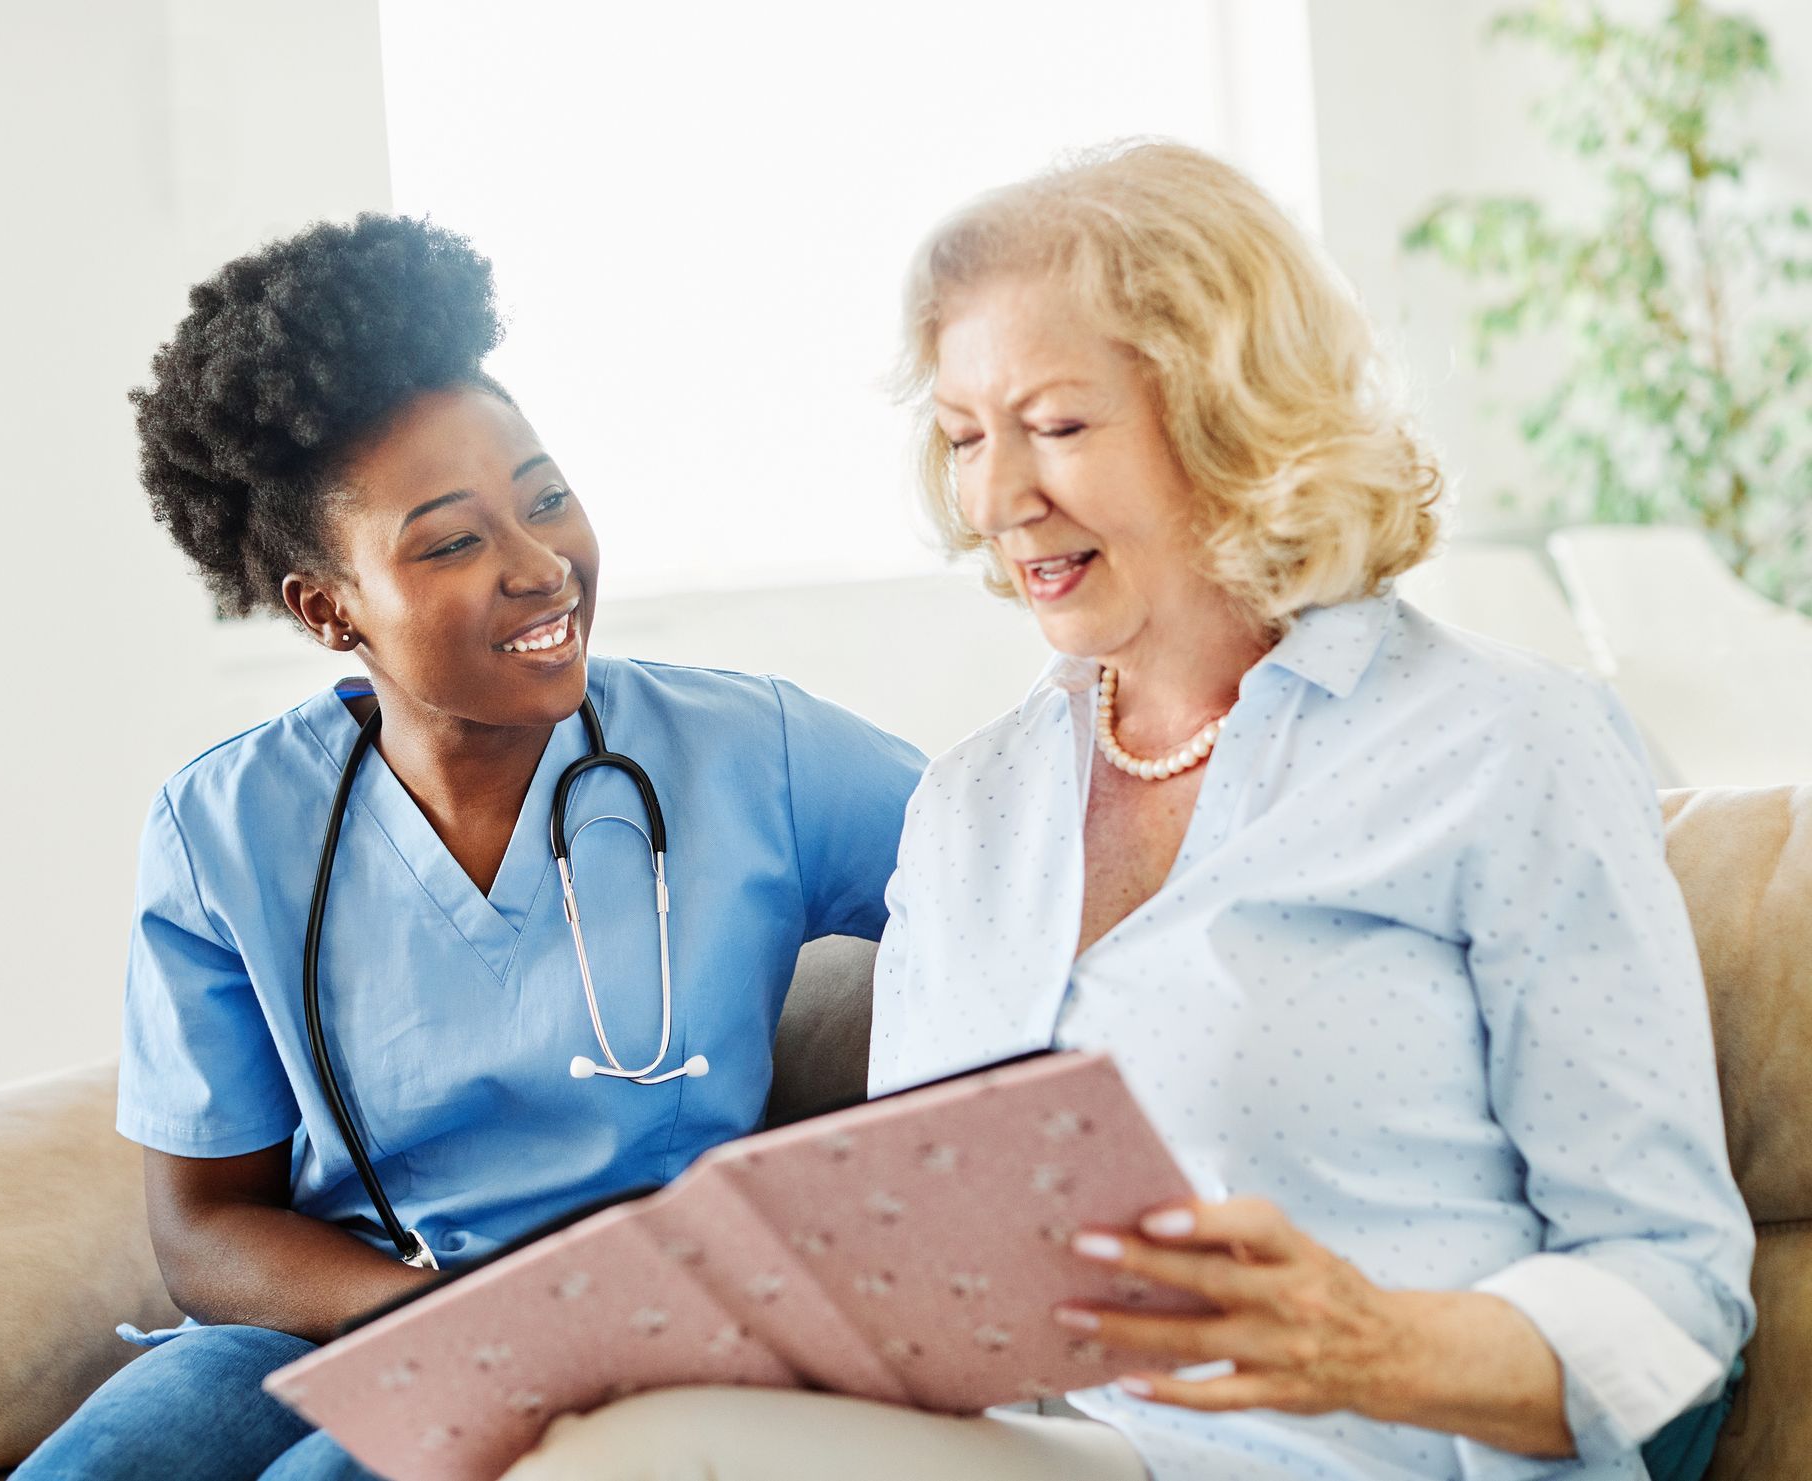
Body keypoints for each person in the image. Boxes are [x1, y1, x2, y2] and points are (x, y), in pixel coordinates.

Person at [504, 143, 1753, 1481]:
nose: (995, 498)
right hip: (1041, 1455)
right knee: (599, 1435)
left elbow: (1674, 1289)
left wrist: (1375, 1342)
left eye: (1056, 424)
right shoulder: (974, 804)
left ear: (1238, 414)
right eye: (966, 434)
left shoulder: (1505, 746)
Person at [13, 214, 924, 1481]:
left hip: (644, 1330)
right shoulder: (224, 827)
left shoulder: (753, 749)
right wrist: (416, 1316)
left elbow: (1020, 882)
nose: (541, 563)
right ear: (329, 607)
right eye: (451, 540)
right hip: (364, 1312)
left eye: (544, 497)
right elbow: (206, 1225)